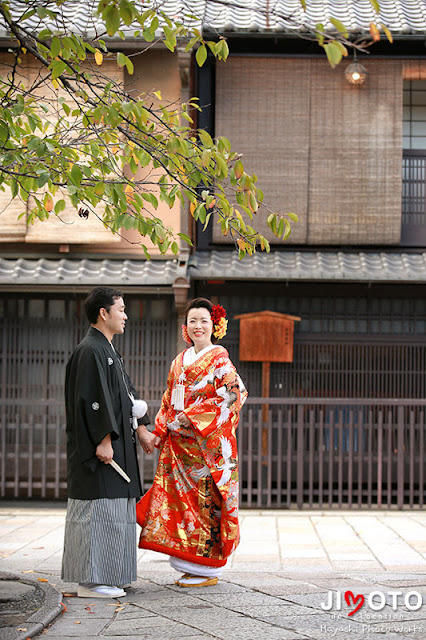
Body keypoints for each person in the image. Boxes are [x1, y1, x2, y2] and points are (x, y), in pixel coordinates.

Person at [136, 297, 247, 587]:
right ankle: (191, 564)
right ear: (186, 326)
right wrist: (158, 432)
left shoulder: (219, 356)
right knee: (181, 507)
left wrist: (192, 417)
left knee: (205, 505)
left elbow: (235, 394)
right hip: (179, 450)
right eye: (193, 321)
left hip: (206, 450)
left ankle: (207, 567)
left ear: (215, 326)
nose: (198, 326)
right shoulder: (179, 360)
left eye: (204, 321)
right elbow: (168, 400)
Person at [61, 286, 156, 599]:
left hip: (117, 447)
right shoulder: (90, 350)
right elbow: (92, 402)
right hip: (99, 451)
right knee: (98, 512)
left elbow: (126, 396)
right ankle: (90, 581)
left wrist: (142, 427)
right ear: (104, 313)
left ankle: (112, 574)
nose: (126, 315)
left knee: (115, 511)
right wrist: (103, 440)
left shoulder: (109, 351)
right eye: (121, 309)